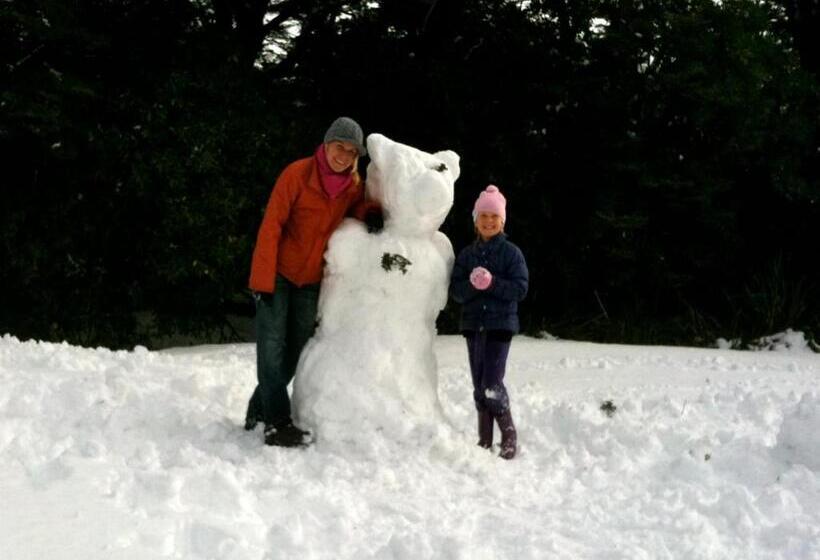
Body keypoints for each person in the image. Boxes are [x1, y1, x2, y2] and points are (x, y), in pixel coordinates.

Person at [245, 116, 381, 447]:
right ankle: (276, 423)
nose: (344, 156)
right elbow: (271, 225)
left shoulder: (349, 186)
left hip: (309, 280)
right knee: (272, 348)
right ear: (326, 144)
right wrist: (261, 280)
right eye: (339, 148)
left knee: (296, 351)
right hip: (277, 274)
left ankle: (257, 411)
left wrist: (370, 213)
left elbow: (358, 205)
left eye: (352, 152)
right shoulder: (297, 174)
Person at [449, 185, 529, 459]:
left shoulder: (511, 253)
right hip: (473, 326)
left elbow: (520, 289)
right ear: (475, 220)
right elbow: (457, 292)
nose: (489, 221)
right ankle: (484, 439)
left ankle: (509, 435)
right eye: (483, 215)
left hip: (500, 327)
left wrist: (492, 283)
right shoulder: (467, 255)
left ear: (502, 220)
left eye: (494, 216)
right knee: (478, 385)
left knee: (492, 383)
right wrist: (472, 285)